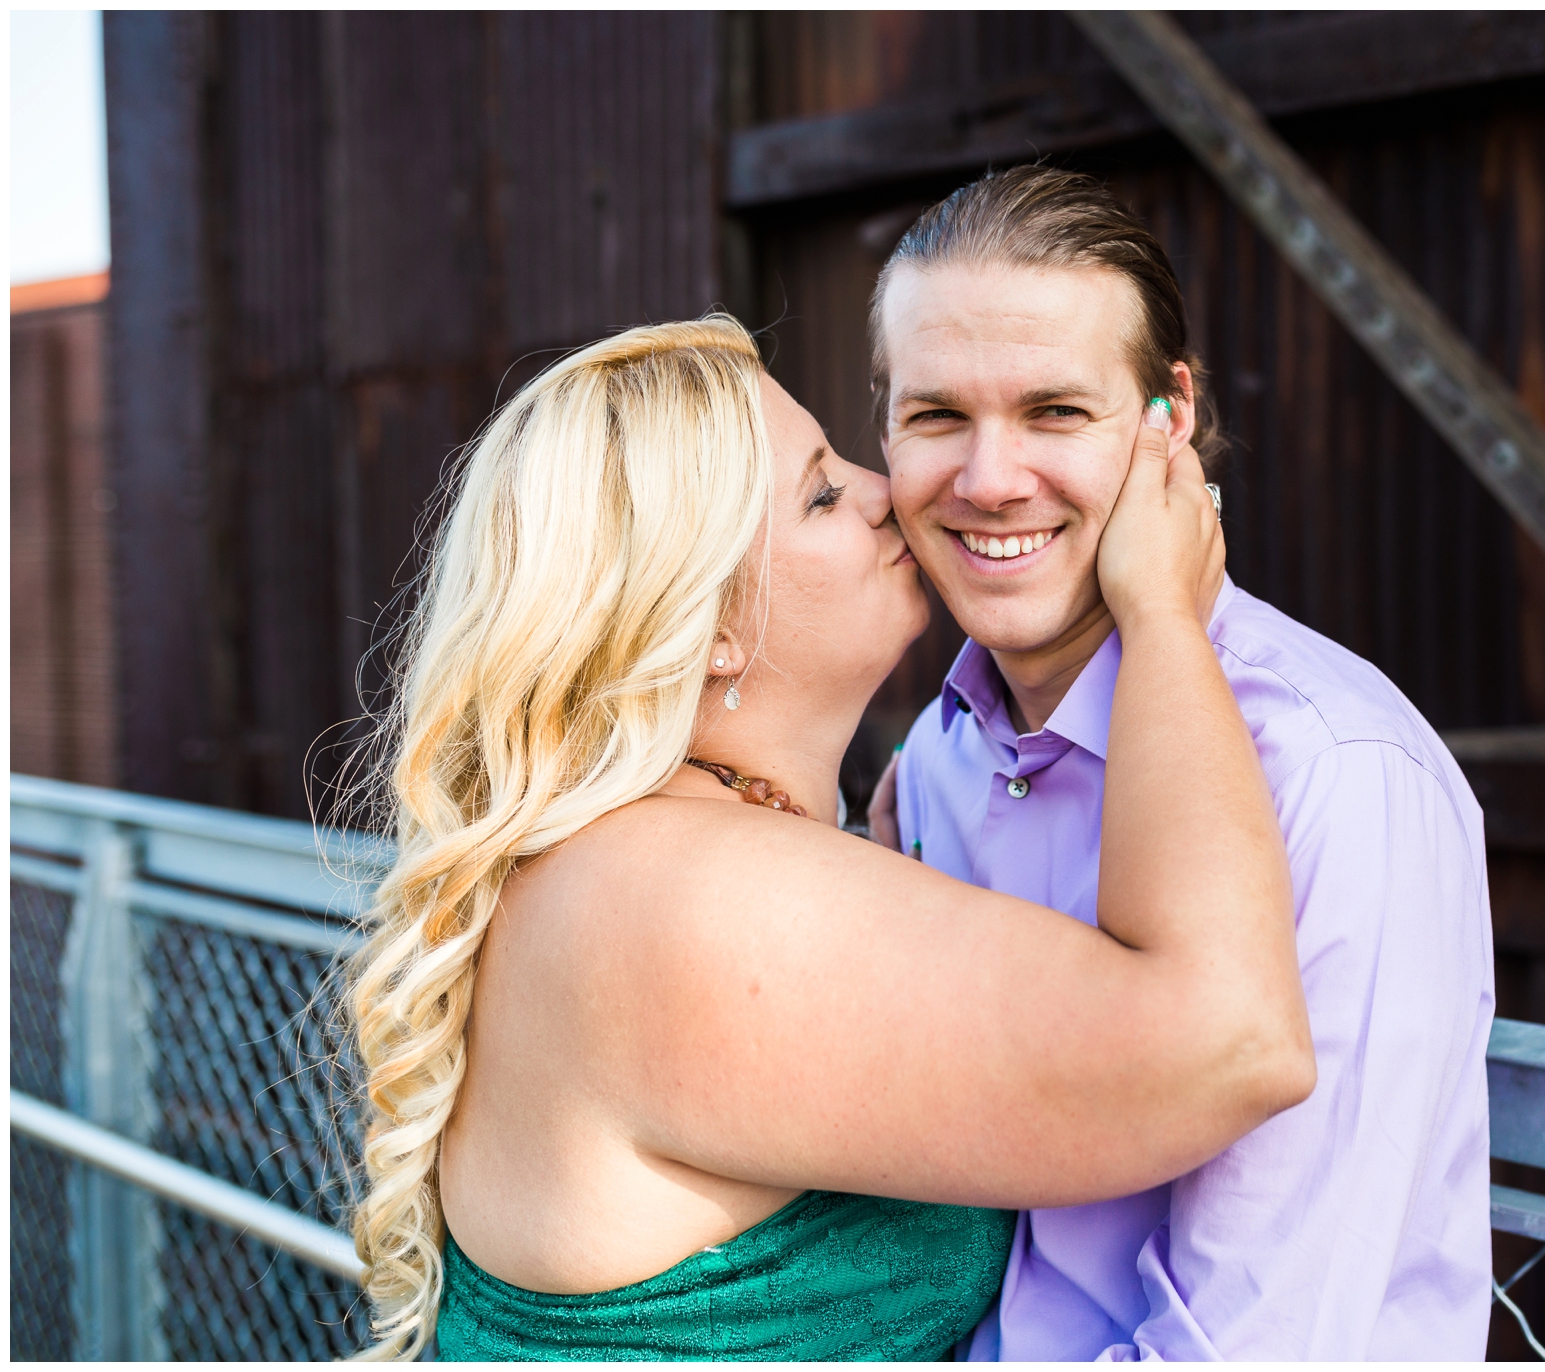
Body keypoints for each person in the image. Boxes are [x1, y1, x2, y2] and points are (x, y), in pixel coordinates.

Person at [343, 315, 1315, 1361]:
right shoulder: (684, 898)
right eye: (818, 492)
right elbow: (1231, 1042)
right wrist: (1165, 611)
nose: (881, 488)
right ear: (702, 623)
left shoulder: (624, 861)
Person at [869, 166, 1497, 1360]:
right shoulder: (937, 756)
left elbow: (1256, 1347)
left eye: (1055, 411)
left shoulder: (1337, 774)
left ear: (1172, 415)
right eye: (938, 414)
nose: (989, 479)